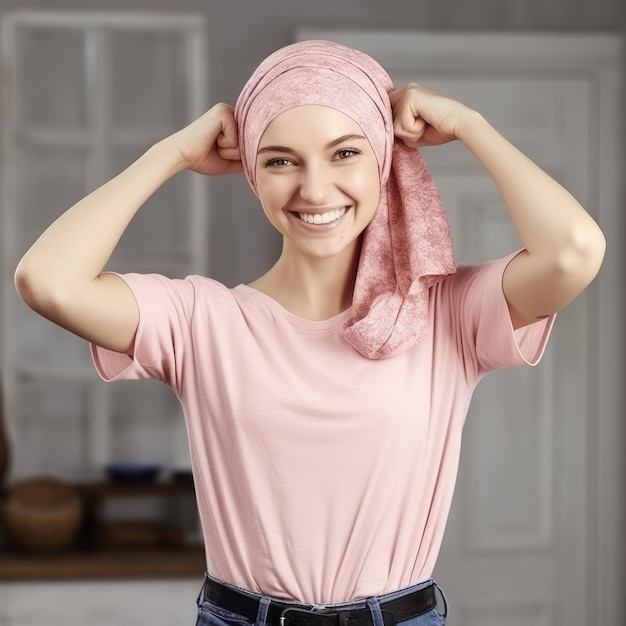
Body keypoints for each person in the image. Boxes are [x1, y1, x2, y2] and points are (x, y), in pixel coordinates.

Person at [14, 40, 605, 626]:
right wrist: (171, 153)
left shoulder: (447, 312)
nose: (315, 190)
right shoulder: (201, 321)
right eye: (279, 160)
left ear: (383, 156)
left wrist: (471, 125)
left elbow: (574, 251)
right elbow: (48, 281)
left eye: (345, 153)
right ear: (250, 171)